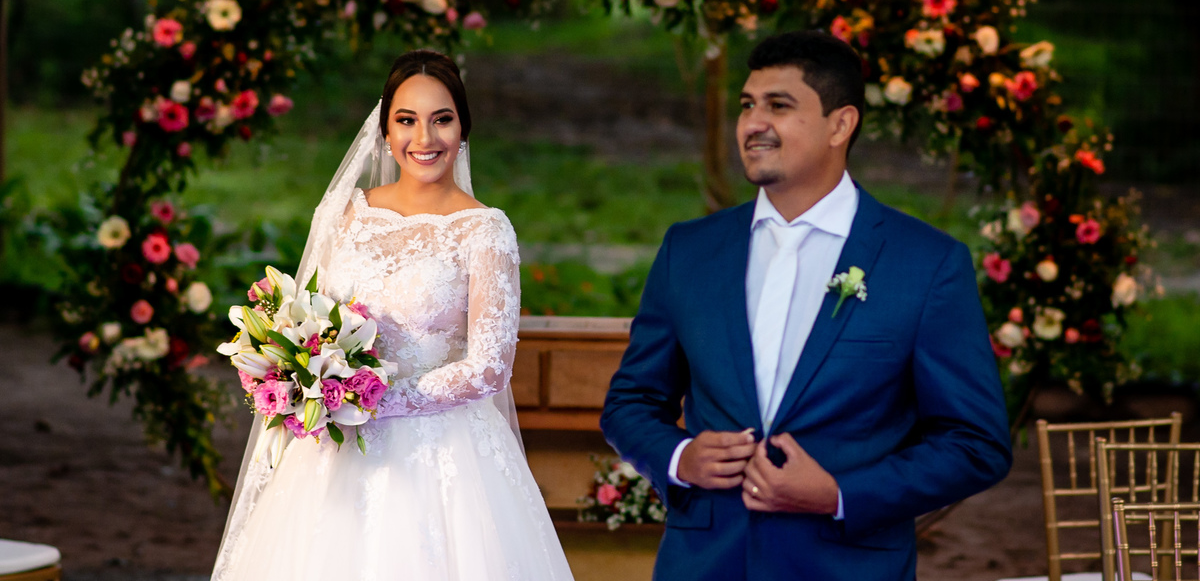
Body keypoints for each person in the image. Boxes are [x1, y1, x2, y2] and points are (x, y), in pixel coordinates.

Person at [600, 30, 1012, 580]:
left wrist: (839, 493)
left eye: (779, 105)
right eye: (747, 105)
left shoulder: (926, 264)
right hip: (705, 563)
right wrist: (681, 458)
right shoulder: (689, 251)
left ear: (840, 124)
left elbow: (975, 443)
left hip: (845, 565)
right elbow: (630, 401)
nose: (753, 123)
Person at [211, 50, 574, 580]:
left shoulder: (485, 230)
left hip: (443, 455)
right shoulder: (347, 213)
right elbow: (312, 315)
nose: (423, 139)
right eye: (406, 120)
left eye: (441, 119)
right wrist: (303, 370)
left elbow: (490, 368)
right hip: (334, 451)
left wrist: (372, 398)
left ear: (463, 129)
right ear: (384, 132)